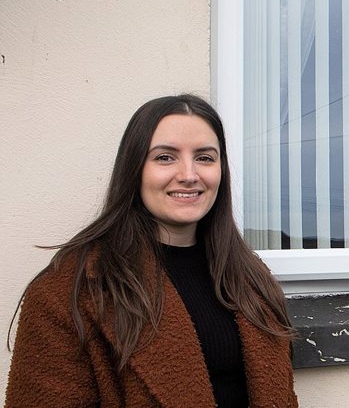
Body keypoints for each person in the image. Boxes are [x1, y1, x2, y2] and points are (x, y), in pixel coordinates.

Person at [5, 94, 298, 407]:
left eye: (205, 157)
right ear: (135, 169)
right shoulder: (71, 290)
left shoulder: (251, 278)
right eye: (165, 157)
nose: (189, 174)